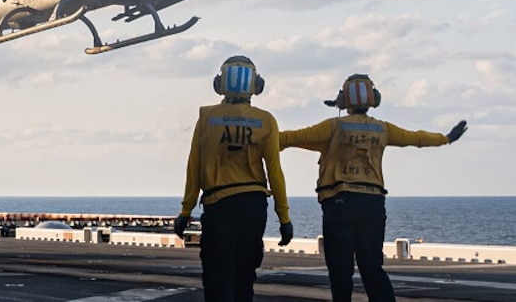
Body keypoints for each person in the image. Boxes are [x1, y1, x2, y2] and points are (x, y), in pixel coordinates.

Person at [280, 74, 467, 302]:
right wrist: (445, 138)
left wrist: (257, 139)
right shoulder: (382, 129)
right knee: (372, 268)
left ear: (343, 100)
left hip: (339, 203)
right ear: (374, 99)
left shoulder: (332, 127)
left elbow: (291, 137)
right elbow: (416, 138)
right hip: (372, 204)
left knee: (340, 271)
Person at [175, 55, 293, 302]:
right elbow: (275, 173)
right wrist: (284, 218)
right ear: (256, 85)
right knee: (245, 276)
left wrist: (185, 211)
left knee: (219, 275)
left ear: (220, 83)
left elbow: (193, 167)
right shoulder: (266, 120)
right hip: (254, 205)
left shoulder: (207, 118)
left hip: (220, 206)